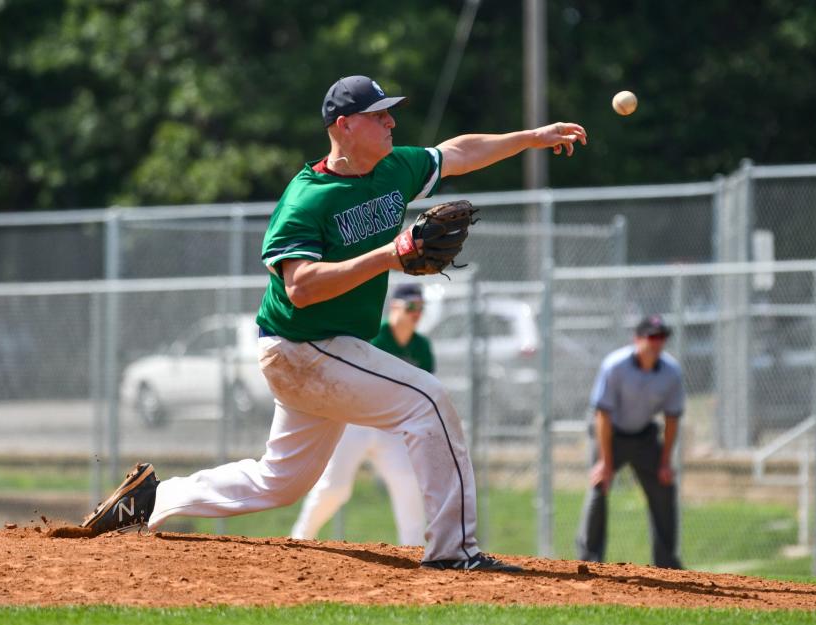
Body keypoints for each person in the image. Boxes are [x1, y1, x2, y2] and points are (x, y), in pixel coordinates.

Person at [82, 74, 587, 572]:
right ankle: (454, 551)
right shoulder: (307, 199)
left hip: (326, 350)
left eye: (390, 111)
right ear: (344, 126)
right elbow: (301, 287)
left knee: (279, 481)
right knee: (428, 401)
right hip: (301, 347)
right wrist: (390, 255)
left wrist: (533, 138)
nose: (391, 121)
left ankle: (150, 501)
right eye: (378, 114)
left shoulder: (393, 168)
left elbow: (455, 152)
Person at [290, 283, 432, 545]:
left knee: (408, 483)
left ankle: (415, 550)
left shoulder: (421, 346)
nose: (416, 313)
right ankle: (300, 540)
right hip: (354, 424)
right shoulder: (377, 336)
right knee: (334, 488)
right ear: (394, 307)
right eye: (411, 306)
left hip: (390, 428)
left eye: (421, 308)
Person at [575, 314, 685, 569]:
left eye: (662, 338)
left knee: (664, 487)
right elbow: (602, 414)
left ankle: (667, 563)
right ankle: (590, 559)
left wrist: (665, 462)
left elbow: (672, 418)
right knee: (598, 487)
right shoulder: (615, 366)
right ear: (637, 339)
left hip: (644, 436)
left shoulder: (671, 372)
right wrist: (605, 462)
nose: (657, 343)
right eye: (652, 337)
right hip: (609, 434)